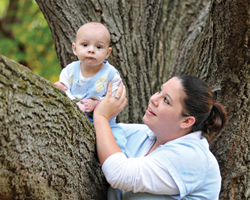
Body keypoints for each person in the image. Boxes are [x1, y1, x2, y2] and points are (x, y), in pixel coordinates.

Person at [92, 75, 227, 199]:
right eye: (159, 91)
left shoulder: (194, 158)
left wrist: (102, 116)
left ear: (186, 121)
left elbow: (119, 174)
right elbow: (103, 132)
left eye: (166, 100)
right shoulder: (144, 135)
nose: (153, 99)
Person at [55, 22, 129, 156]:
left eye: (98, 47)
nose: (91, 50)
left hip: (105, 124)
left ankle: (120, 164)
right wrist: (72, 101)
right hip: (73, 118)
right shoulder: (69, 71)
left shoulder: (111, 75)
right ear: (75, 48)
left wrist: (96, 103)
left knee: (117, 139)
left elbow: (114, 99)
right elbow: (64, 90)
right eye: (85, 45)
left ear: (107, 52)